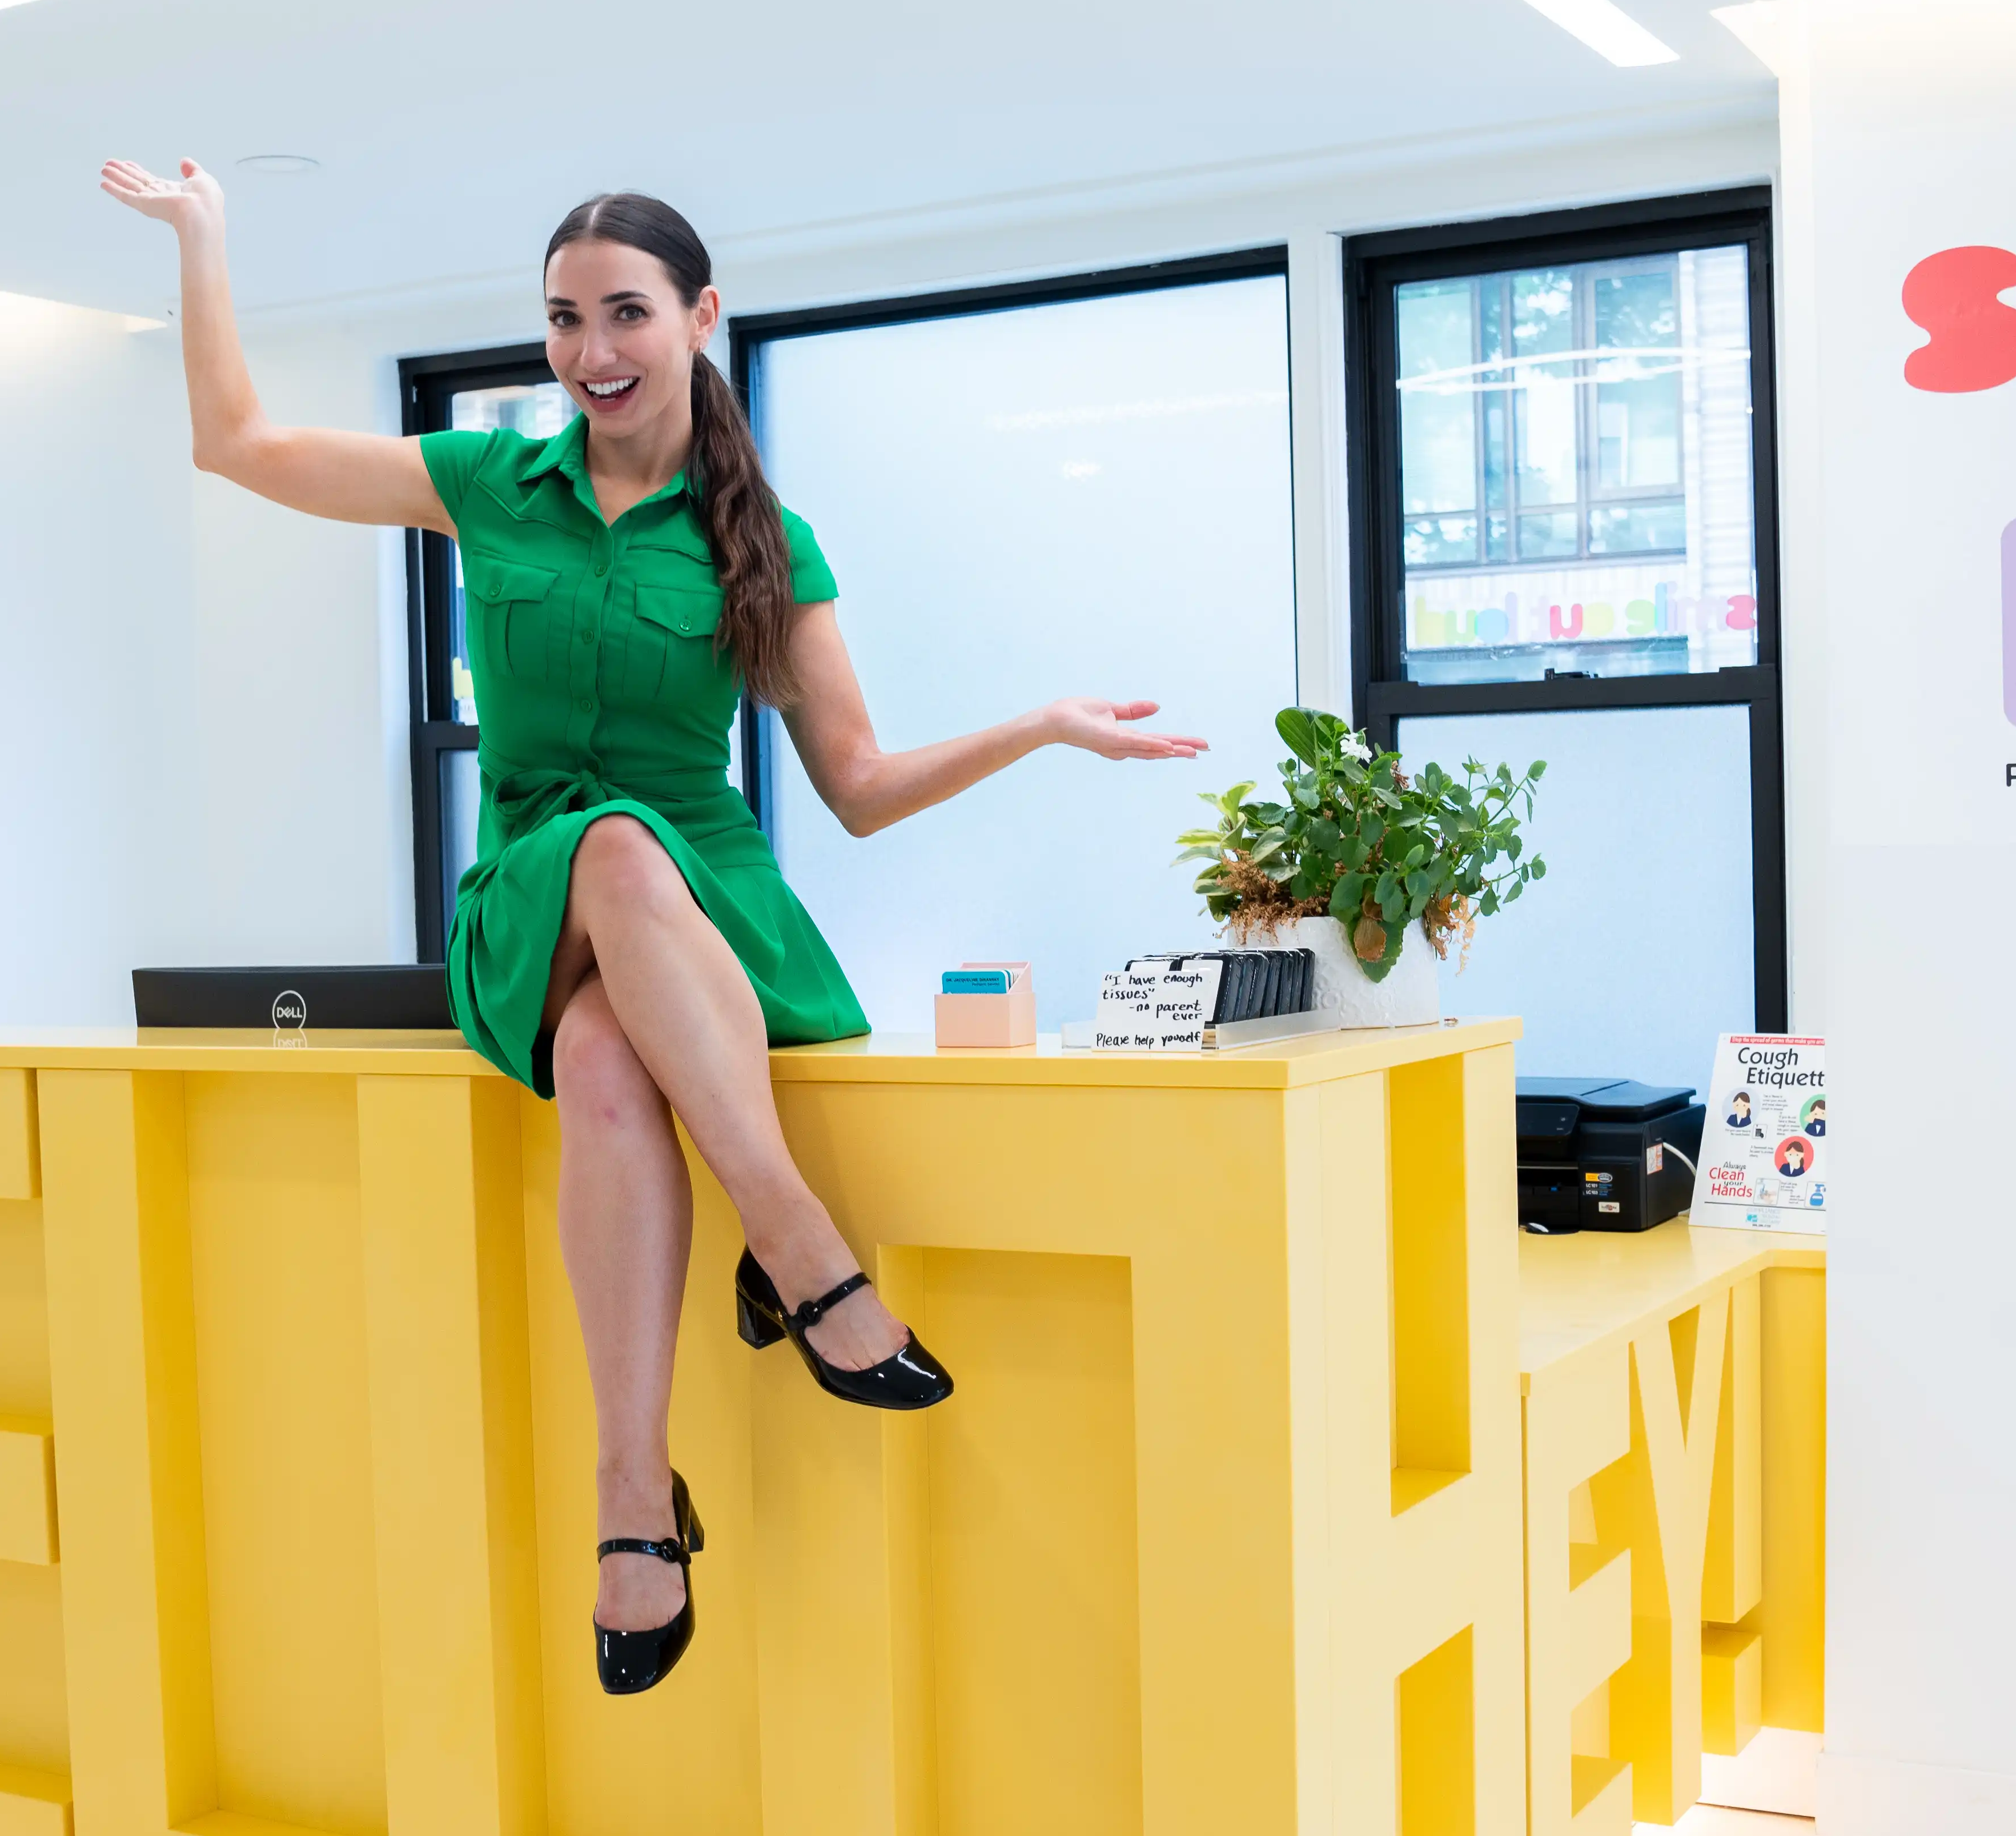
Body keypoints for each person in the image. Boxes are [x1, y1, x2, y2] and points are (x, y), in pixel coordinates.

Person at [103, 162, 1202, 1694]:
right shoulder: (489, 484)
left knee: (613, 1070)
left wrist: (1038, 727)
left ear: (697, 316)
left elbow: (863, 789)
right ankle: (796, 1242)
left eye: (622, 312)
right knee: (609, 845)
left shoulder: (767, 537)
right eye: (561, 320)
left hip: (706, 918)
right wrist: (205, 240)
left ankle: (633, 1494)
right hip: (532, 897)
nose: (588, 349)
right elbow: (238, 443)